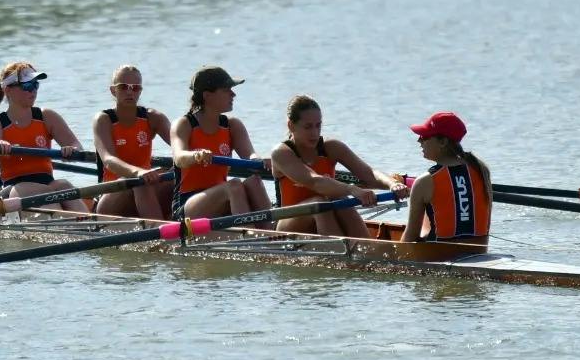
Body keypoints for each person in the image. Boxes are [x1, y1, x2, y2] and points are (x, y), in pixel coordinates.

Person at [270, 96, 409, 236]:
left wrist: (393, 184)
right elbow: (314, 181)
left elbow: (369, 173)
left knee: (339, 198)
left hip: (325, 213)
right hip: (287, 223)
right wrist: (352, 189)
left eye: (318, 125)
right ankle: (340, 253)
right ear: (291, 126)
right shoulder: (281, 153)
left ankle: (368, 249)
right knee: (320, 203)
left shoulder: (332, 147)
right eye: (308, 127)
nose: (314, 133)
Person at [0, 62, 88, 212]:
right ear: (8, 90)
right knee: (37, 190)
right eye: (26, 86)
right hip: (10, 190)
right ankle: (68, 226)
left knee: (64, 185)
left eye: (35, 84)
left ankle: (89, 225)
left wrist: (72, 150)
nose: (33, 91)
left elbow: (77, 145)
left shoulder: (47, 117)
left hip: (46, 185)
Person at [169, 66, 271, 218]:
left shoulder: (232, 125)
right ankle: (249, 234)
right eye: (226, 90)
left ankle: (272, 232)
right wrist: (196, 156)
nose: (233, 94)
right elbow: (179, 158)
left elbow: (250, 155)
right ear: (207, 96)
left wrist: (260, 161)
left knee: (254, 181)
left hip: (222, 196)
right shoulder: (184, 124)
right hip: (188, 205)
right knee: (234, 185)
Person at [91, 64, 172, 220]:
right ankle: (160, 234)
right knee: (139, 182)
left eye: (135, 88)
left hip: (143, 185)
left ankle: (184, 223)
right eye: (123, 87)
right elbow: (108, 160)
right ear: (113, 90)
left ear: (140, 91)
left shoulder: (153, 118)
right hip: (110, 194)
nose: (129, 92)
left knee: (177, 173)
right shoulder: (103, 120)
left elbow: (181, 146)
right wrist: (138, 171)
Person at [400, 111, 492, 247]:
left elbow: (409, 240)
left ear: (443, 142)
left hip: (438, 256)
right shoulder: (480, 169)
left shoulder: (425, 181)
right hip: (478, 254)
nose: (419, 141)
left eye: (424, 136)